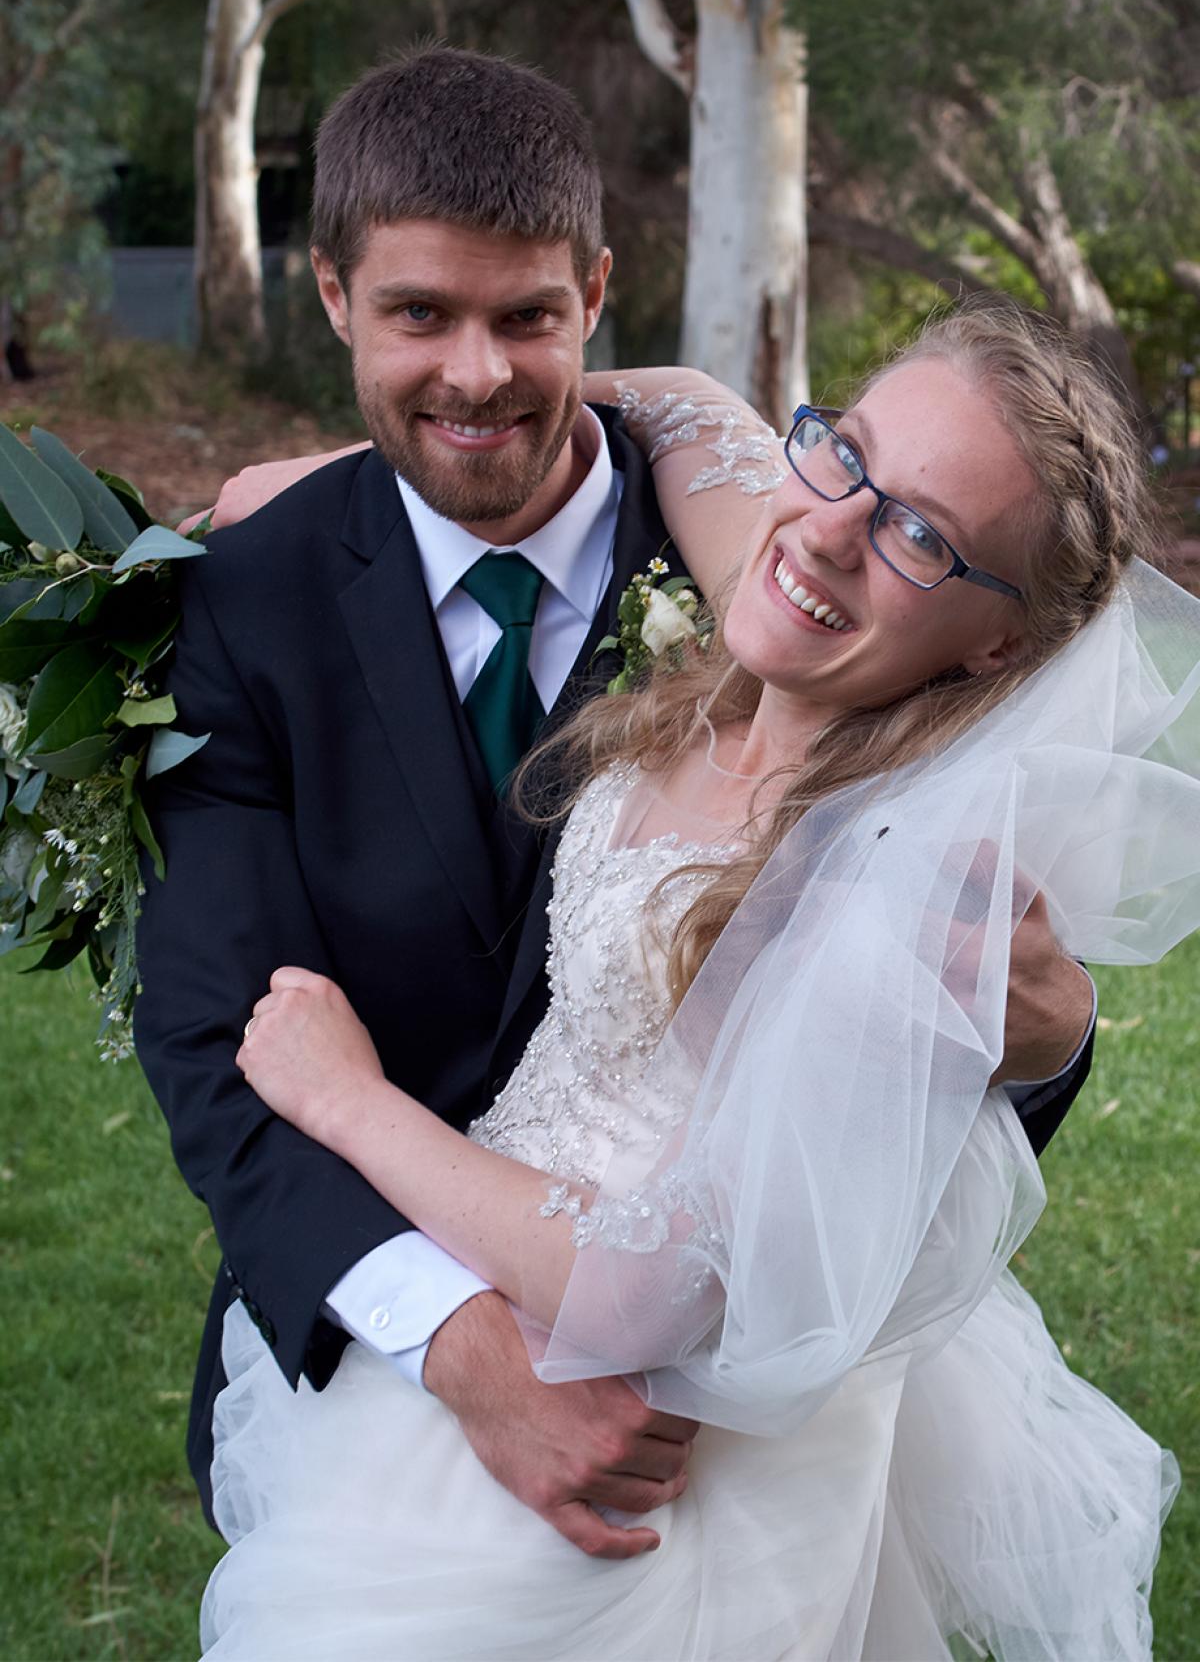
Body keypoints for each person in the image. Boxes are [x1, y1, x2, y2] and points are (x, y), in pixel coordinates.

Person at [133, 46, 1093, 1566]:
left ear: (593, 288)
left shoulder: (767, 562)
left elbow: (938, 958)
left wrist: (1045, 1038)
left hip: (723, 1422)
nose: (475, 375)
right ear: (331, 298)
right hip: (373, 1363)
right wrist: (463, 1353)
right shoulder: (245, 602)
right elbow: (216, 1030)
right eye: (415, 317)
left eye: (526, 317)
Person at [197, 305, 1200, 1658]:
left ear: (996, 647)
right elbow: (672, 396)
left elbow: (664, 1288)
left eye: (921, 535)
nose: (834, 530)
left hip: (626, 1445)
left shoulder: (887, 873)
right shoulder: (776, 586)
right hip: (464, 1304)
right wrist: (340, 480)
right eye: (846, 450)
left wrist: (349, 1101)